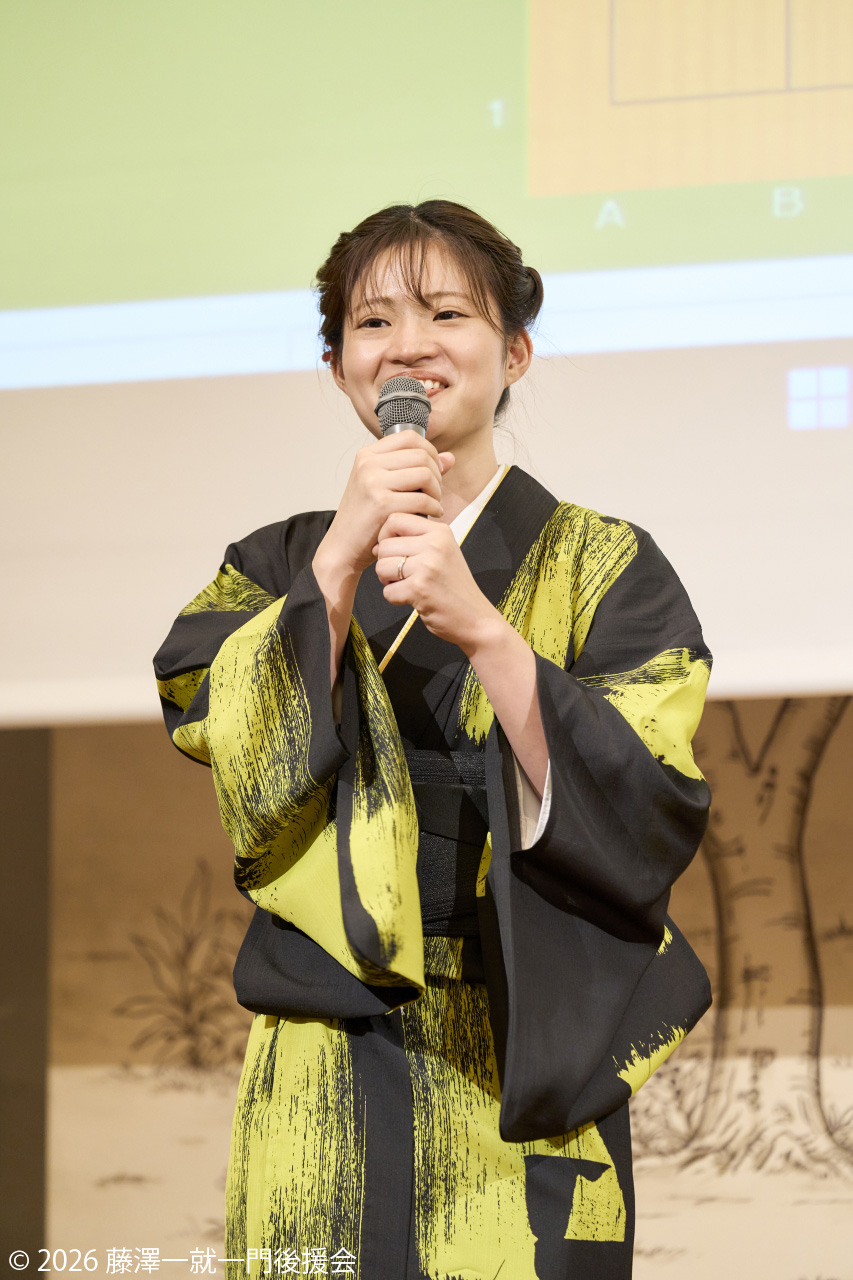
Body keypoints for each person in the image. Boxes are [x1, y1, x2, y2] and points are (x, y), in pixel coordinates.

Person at [153, 200, 713, 1280]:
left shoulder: (605, 564)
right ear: (338, 368)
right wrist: (333, 569)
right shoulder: (275, 565)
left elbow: (648, 800)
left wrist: (489, 635)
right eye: (372, 323)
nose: (407, 346)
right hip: (325, 1044)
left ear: (514, 353)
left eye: (446, 314)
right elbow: (219, 734)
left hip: (527, 1043)